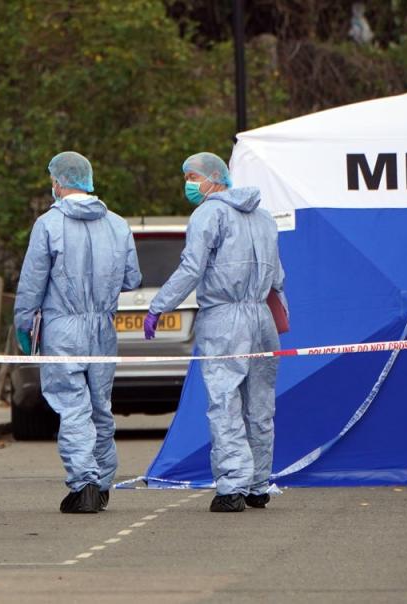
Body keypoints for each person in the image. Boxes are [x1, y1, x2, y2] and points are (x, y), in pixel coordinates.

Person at [145, 152, 287, 513]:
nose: (189, 184)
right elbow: (277, 277)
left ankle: (232, 487)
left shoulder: (208, 214)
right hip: (261, 319)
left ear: (214, 178)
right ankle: (258, 484)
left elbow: (192, 267)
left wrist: (160, 305)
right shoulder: (263, 216)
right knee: (260, 405)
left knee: (225, 402)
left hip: (225, 319)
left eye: (192, 177)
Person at [15, 151, 141, 514]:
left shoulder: (49, 224)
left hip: (62, 327)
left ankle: (83, 481)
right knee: (101, 407)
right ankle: (102, 483)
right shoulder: (117, 224)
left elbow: (31, 284)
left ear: (58, 182)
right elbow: (133, 279)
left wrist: (24, 325)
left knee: (72, 407)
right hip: (102, 325)